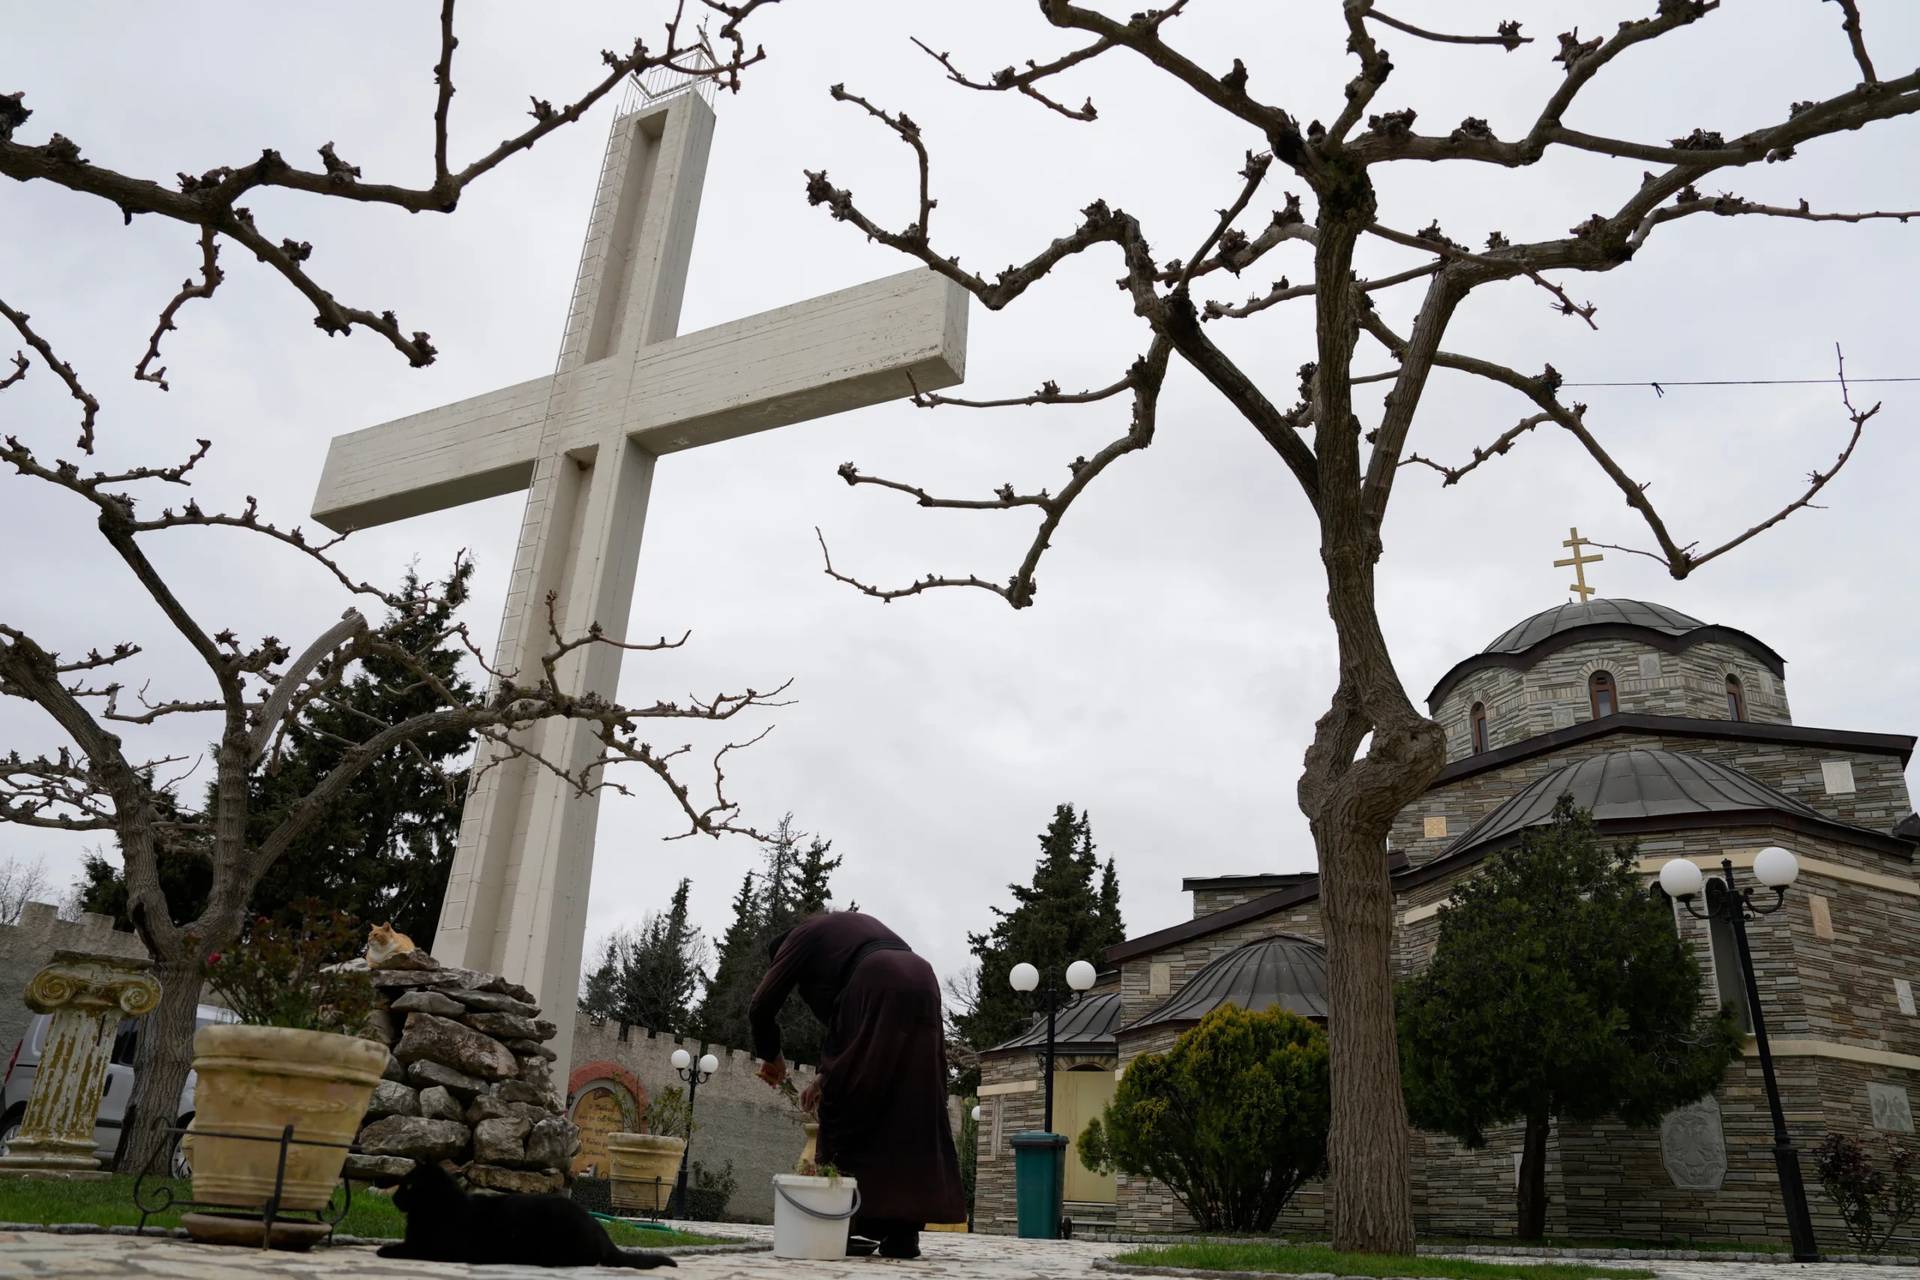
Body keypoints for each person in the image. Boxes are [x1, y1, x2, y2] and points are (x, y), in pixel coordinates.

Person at [751, 910, 964, 1260]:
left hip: (878, 978)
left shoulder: (799, 938)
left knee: (847, 1101)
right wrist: (822, 1076)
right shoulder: (842, 935)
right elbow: (849, 1031)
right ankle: (902, 1233)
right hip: (923, 978)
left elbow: (761, 1005)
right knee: (912, 1102)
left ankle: (844, 1222)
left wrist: (771, 1055)